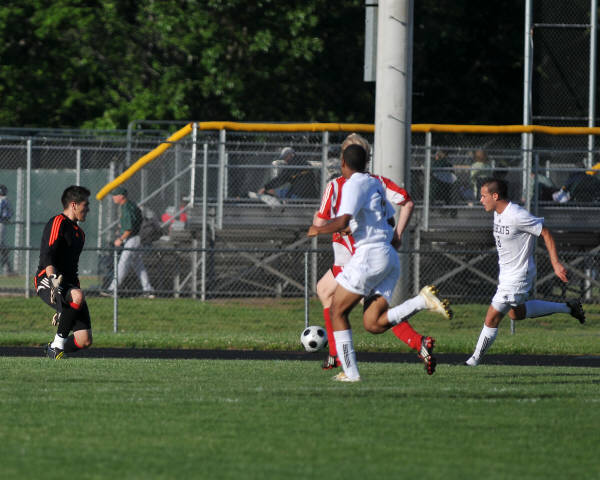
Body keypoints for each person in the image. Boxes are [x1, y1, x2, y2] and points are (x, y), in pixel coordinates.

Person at [308, 144, 452, 382]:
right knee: (373, 323)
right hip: (388, 256)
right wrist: (396, 235)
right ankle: (421, 301)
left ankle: (349, 371)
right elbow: (399, 209)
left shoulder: (351, 184)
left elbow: (343, 221)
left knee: (337, 310)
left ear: (343, 163)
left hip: (367, 255)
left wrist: (318, 229)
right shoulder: (375, 182)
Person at [465, 178, 586, 367]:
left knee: (491, 317)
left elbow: (545, 233)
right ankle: (569, 307)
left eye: (483, 196)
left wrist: (556, 263)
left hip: (518, 276)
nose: (481, 200)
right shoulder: (497, 213)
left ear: (495, 196)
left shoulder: (516, 214)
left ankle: (473, 361)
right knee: (516, 314)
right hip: (506, 275)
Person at [35, 185, 93, 359]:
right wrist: (53, 280)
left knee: (84, 340)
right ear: (74, 205)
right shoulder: (58, 222)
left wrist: (73, 293)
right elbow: (48, 256)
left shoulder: (80, 234)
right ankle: (57, 347)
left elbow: (72, 269)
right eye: (86, 205)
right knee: (77, 296)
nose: (88, 209)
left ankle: (52, 347)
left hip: (68, 284)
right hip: (47, 278)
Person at [103, 186, 155, 297]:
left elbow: (129, 228)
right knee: (138, 265)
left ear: (121, 196)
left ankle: (113, 289)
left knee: (123, 263)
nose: (113, 197)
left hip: (133, 239)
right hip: (136, 238)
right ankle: (148, 290)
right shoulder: (129, 205)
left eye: (115, 195)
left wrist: (120, 239)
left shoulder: (126, 207)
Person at [0, 184, 14, 275]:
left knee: (1, 245)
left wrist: (5, 218)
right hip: (2, 224)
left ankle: (8, 268)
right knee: (2, 246)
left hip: (0, 224)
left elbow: (7, 214)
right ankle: (8, 268)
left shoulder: (3, 200)